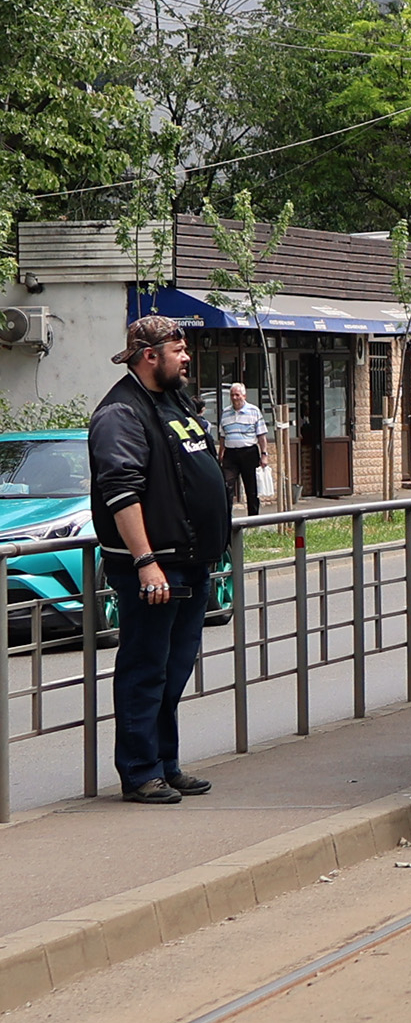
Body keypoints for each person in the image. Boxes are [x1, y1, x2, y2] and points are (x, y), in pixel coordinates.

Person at [88, 317, 232, 805]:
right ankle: (139, 772)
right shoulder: (120, 414)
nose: (187, 355)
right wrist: (145, 561)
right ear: (149, 355)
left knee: (173, 671)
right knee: (145, 669)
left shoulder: (175, 400)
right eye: (179, 348)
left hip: (191, 561)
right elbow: (120, 493)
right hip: (154, 568)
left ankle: (166, 765)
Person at [218, 381, 268, 517]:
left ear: (244, 396)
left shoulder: (254, 411)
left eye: (237, 395)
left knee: (251, 487)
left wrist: (264, 454)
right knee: (227, 485)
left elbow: (261, 435)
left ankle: (253, 518)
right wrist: (220, 454)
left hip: (249, 452)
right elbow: (222, 436)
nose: (235, 398)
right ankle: (227, 517)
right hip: (230, 454)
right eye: (232, 395)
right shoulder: (226, 413)